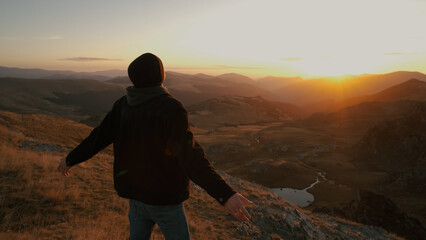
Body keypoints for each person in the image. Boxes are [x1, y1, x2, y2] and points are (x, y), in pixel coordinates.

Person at [57, 53, 253, 240]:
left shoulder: (123, 105)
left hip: (134, 196)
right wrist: (225, 195)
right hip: (164, 199)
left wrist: (70, 159)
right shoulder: (171, 108)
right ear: (161, 75)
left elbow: (97, 138)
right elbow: (190, 157)